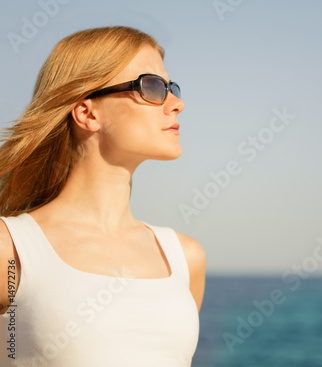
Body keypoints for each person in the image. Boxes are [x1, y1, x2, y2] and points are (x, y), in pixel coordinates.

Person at [0, 26, 206, 367]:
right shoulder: (11, 249)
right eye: (151, 86)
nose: (177, 104)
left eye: (171, 88)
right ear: (87, 113)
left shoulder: (185, 258)